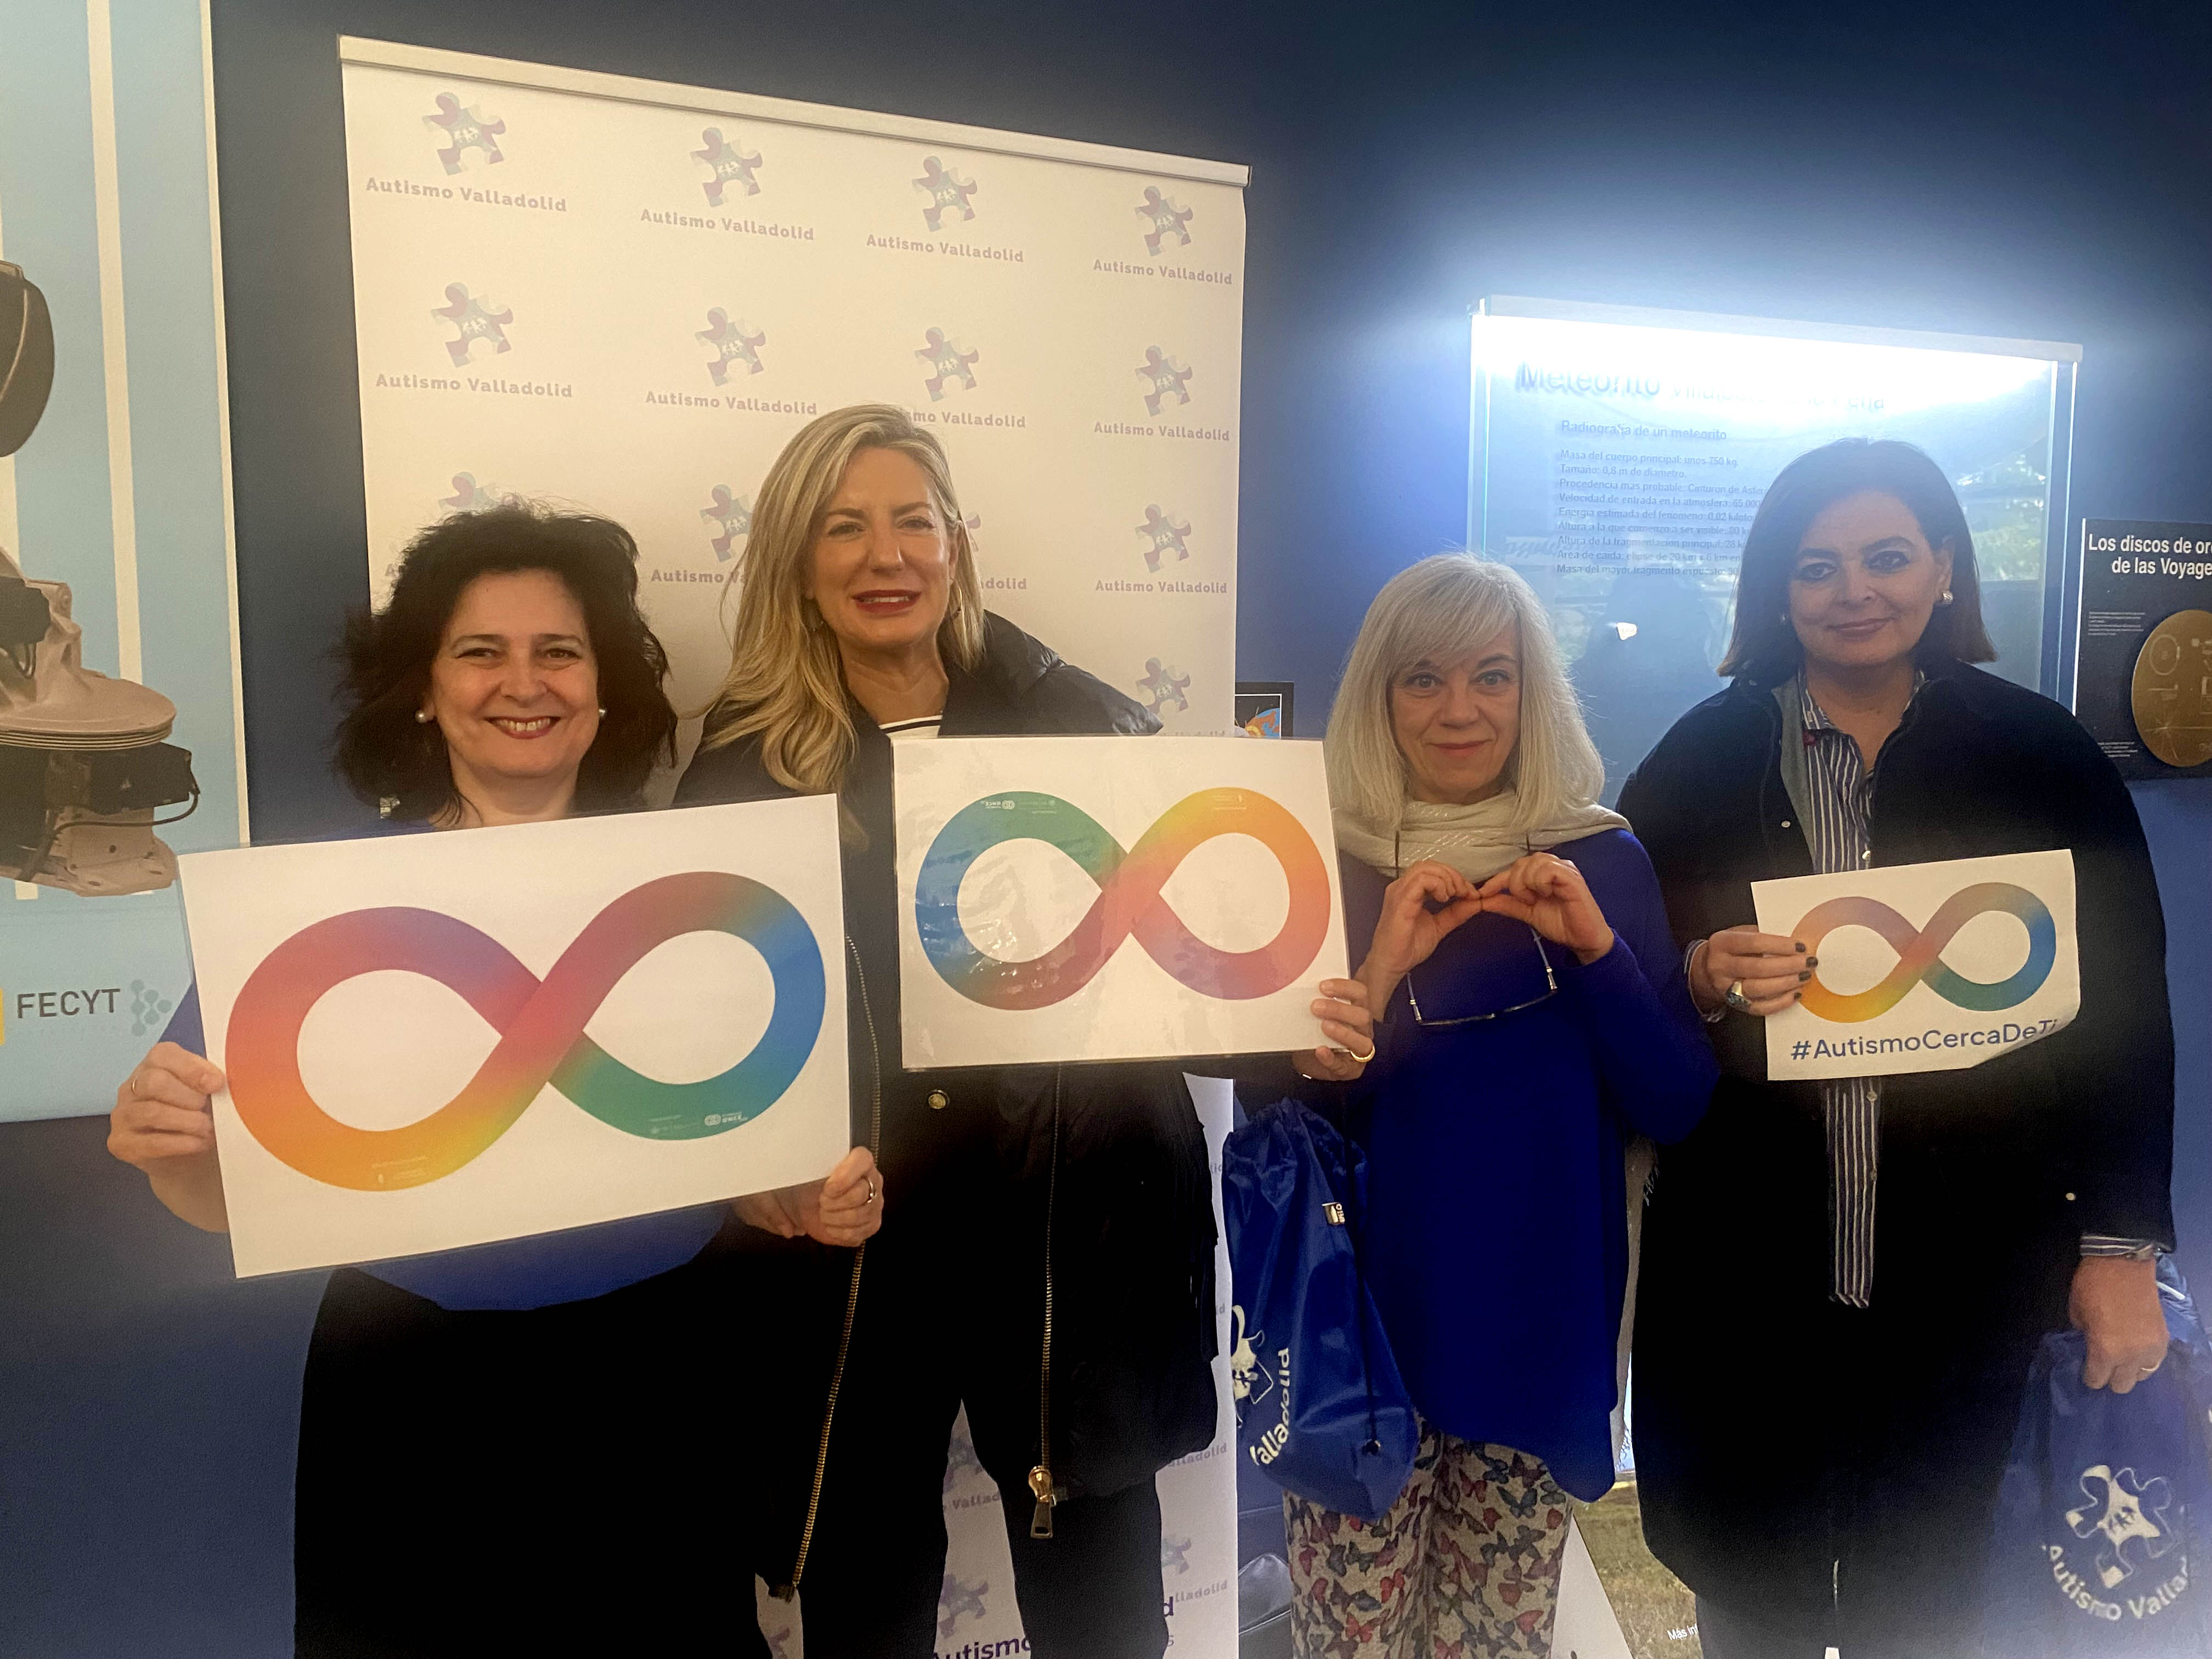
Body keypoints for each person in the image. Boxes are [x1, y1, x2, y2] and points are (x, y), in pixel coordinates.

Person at [105, 503, 881, 1658]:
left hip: (662, 1369)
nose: (525, 683)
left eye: (559, 651)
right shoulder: (314, 905)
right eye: (481, 651)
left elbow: (717, 1155)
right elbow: (222, 1195)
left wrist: (794, 1196)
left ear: (603, 689)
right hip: (415, 1387)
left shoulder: (694, 879)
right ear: (424, 689)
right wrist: (172, 1149)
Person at [675, 403, 1375, 1659]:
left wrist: (1287, 1035)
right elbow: (709, 1025)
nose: (885, 555)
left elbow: (1173, 970)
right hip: (859, 1242)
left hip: (1072, 1223)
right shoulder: (744, 765)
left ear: (957, 543)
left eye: (912, 521)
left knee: (1102, 1604)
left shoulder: (1082, 726)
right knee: (868, 1599)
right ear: (795, 558)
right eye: (843, 527)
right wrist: (763, 1178)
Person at [1617, 439, 2175, 1658]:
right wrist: (1698, 974)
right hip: (1748, 1281)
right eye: (1817, 566)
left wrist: (2120, 1247)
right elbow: (1620, 988)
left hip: (1972, 1269)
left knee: (1937, 1598)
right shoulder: (1700, 758)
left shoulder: (2042, 755)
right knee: (1753, 1591)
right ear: (1778, 589)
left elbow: (2128, 1015)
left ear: (1945, 569)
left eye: (1887, 557)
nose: (1854, 590)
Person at [1286, 552, 1718, 1659]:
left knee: (1497, 1642)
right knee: (1353, 1641)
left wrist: (1598, 952)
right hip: (1359, 1344)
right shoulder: (1319, 858)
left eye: (1492, 675)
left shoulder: (1602, 858)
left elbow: (1674, 1101)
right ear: (1379, 697)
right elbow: (1281, 1123)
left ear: (1534, 693)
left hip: (1536, 1324)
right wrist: (1378, 973)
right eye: (1422, 679)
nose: (1460, 710)